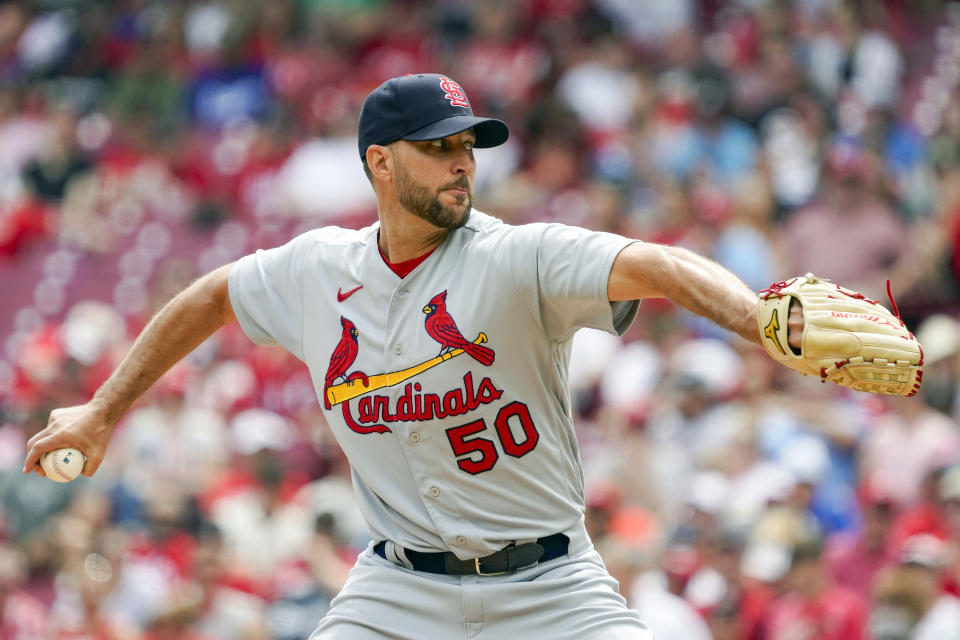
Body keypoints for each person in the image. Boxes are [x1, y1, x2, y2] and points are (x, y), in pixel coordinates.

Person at [23, 73, 804, 639]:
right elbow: (208, 298)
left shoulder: (517, 257)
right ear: (381, 163)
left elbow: (659, 264)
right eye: (438, 148)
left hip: (552, 587)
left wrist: (762, 320)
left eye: (469, 145)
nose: (463, 162)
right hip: (398, 590)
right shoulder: (318, 269)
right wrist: (102, 411)